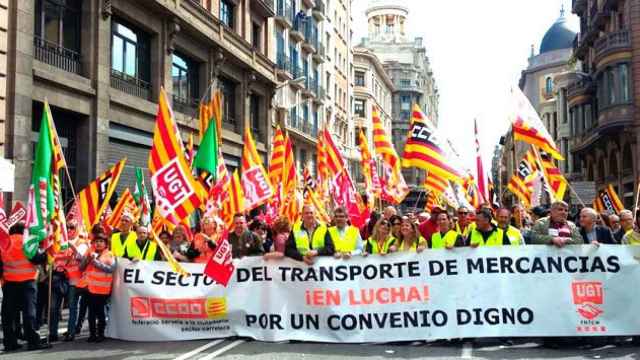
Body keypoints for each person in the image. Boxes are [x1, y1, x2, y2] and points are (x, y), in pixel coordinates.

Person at [1, 223, 50, 351]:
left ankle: (10, 343)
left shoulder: (4, 243)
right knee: (29, 313)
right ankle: (32, 341)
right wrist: (46, 254)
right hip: (28, 282)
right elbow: (36, 259)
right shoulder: (26, 242)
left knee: (9, 315)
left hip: (9, 283)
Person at [80, 232, 116, 343]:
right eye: (96, 242)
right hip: (89, 288)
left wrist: (94, 262)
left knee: (100, 313)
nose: (98, 244)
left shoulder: (110, 255)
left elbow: (110, 269)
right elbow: (81, 268)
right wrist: (87, 260)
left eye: (101, 242)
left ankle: (101, 333)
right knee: (91, 313)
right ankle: (92, 334)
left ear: (106, 244)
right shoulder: (90, 253)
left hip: (102, 290)